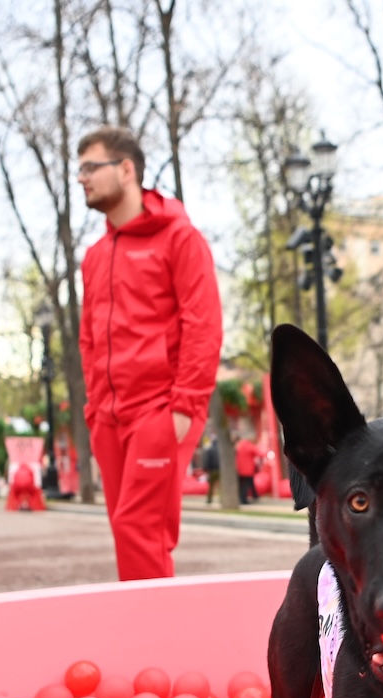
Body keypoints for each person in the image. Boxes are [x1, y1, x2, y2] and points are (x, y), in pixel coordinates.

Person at [76, 125, 222, 580]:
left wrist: (184, 406)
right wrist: (95, 408)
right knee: (126, 531)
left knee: (140, 527)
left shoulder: (179, 239)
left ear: (125, 169)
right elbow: (88, 337)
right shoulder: (96, 255)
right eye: (78, 170)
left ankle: (154, 641)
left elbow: (203, 324)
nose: (81, 178)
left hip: (160, 410)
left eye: (90, 167)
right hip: (108, 417)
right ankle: (143, 631)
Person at [234, 437, 259, 505]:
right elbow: (258, 452)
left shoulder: (238, 446)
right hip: (247, 470)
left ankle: (255, 495)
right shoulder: (248, 446)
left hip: (239, 469)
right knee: (246, 485)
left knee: (244, 484)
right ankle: (243, 499)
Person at [202, 438, 221, 505]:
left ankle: (209, 500)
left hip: (212, 470)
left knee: (211, 486)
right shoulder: (221, 450)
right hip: (220, 470)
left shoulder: (210, 450)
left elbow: (207, 460)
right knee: (220, 486)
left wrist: (206, 469)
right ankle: (221, 499)